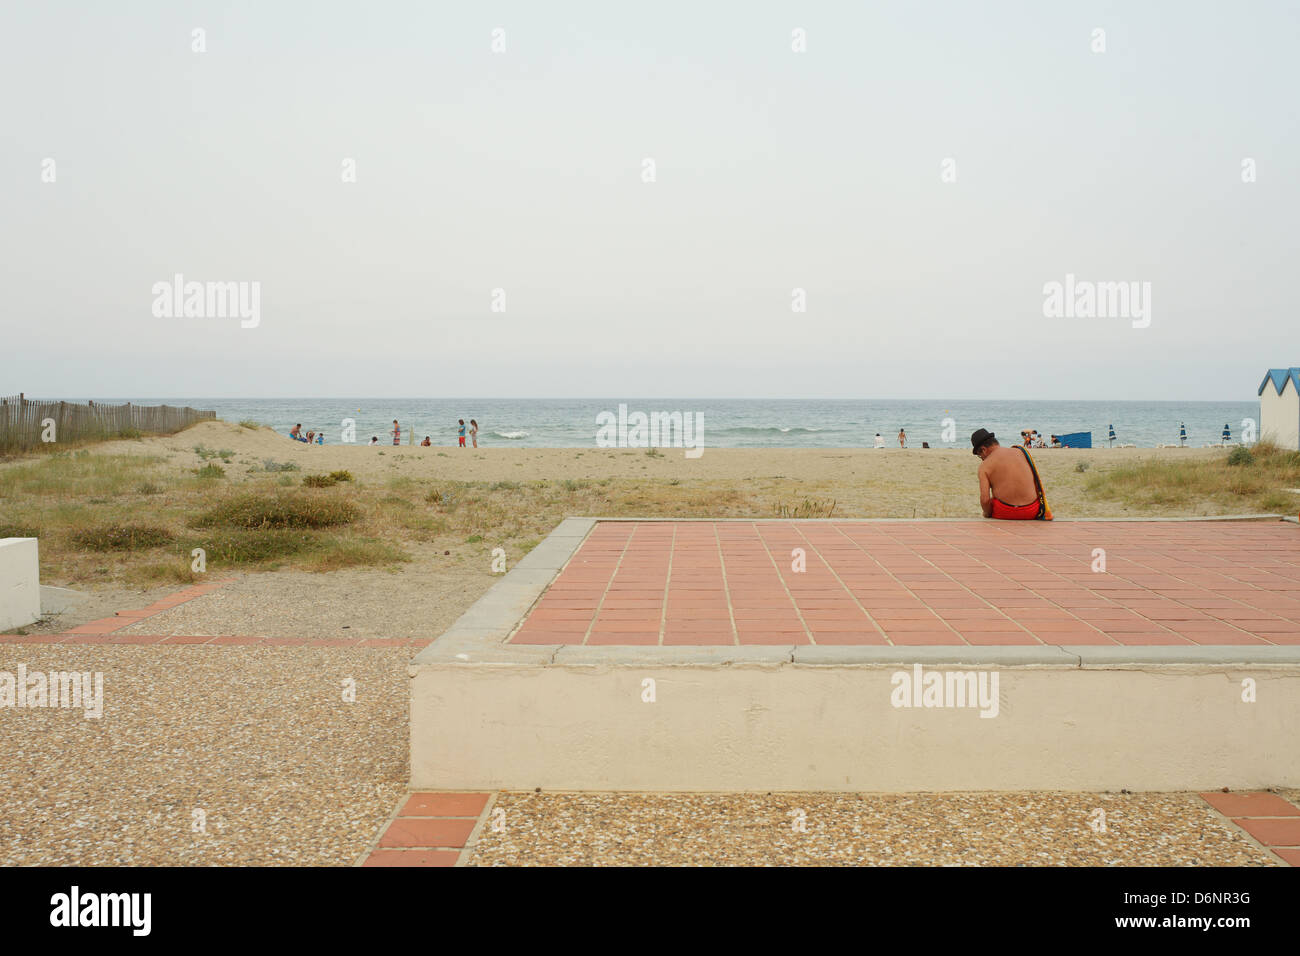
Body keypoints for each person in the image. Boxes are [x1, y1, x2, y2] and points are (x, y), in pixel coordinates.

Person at [971, 428, 1052, 520]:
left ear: (983, 450)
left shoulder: (984, 466)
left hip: (1006, 512)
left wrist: (987, 513)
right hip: (1032, 510)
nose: (981, 458)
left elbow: (985, 500)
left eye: (979, 455)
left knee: (992, 504)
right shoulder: (1020, 452)